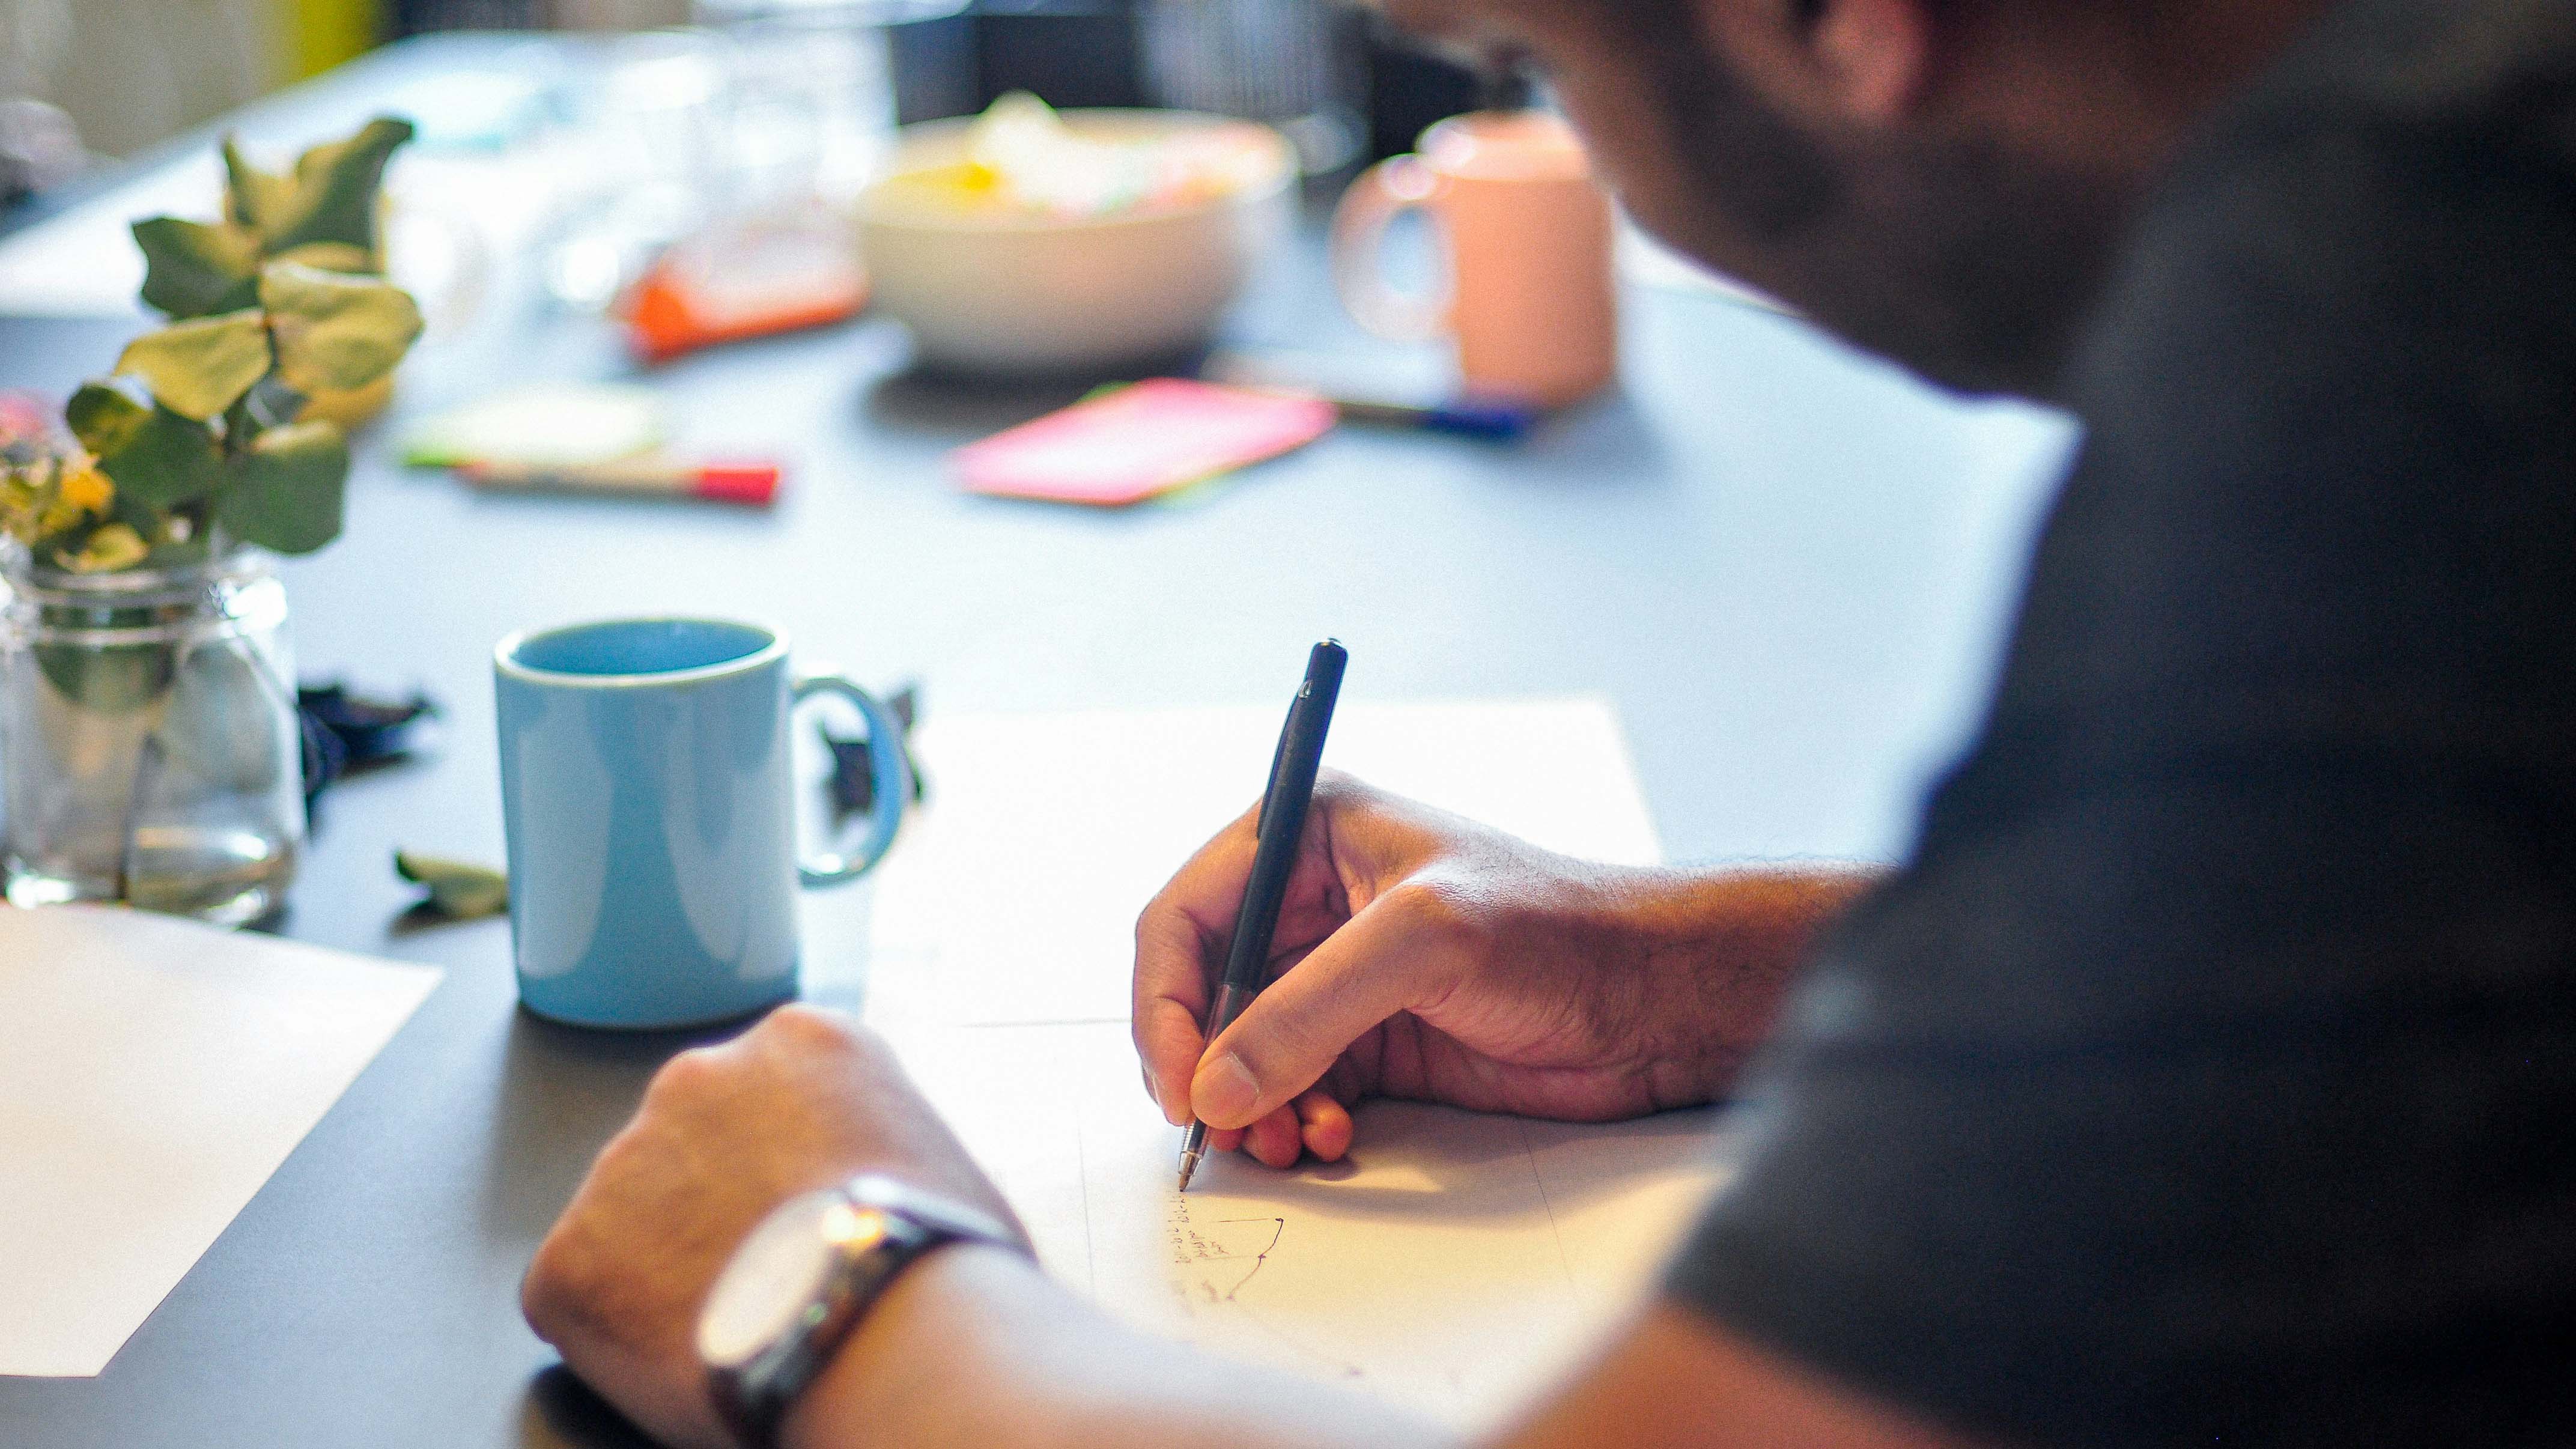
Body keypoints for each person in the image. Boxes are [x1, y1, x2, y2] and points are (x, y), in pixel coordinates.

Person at [520, 0, 2576, 1444]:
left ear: (1841, 14)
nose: (1573, 138)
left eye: (1542, 64)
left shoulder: (2425, 301)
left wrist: (847, 1286)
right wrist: (1700, 976)